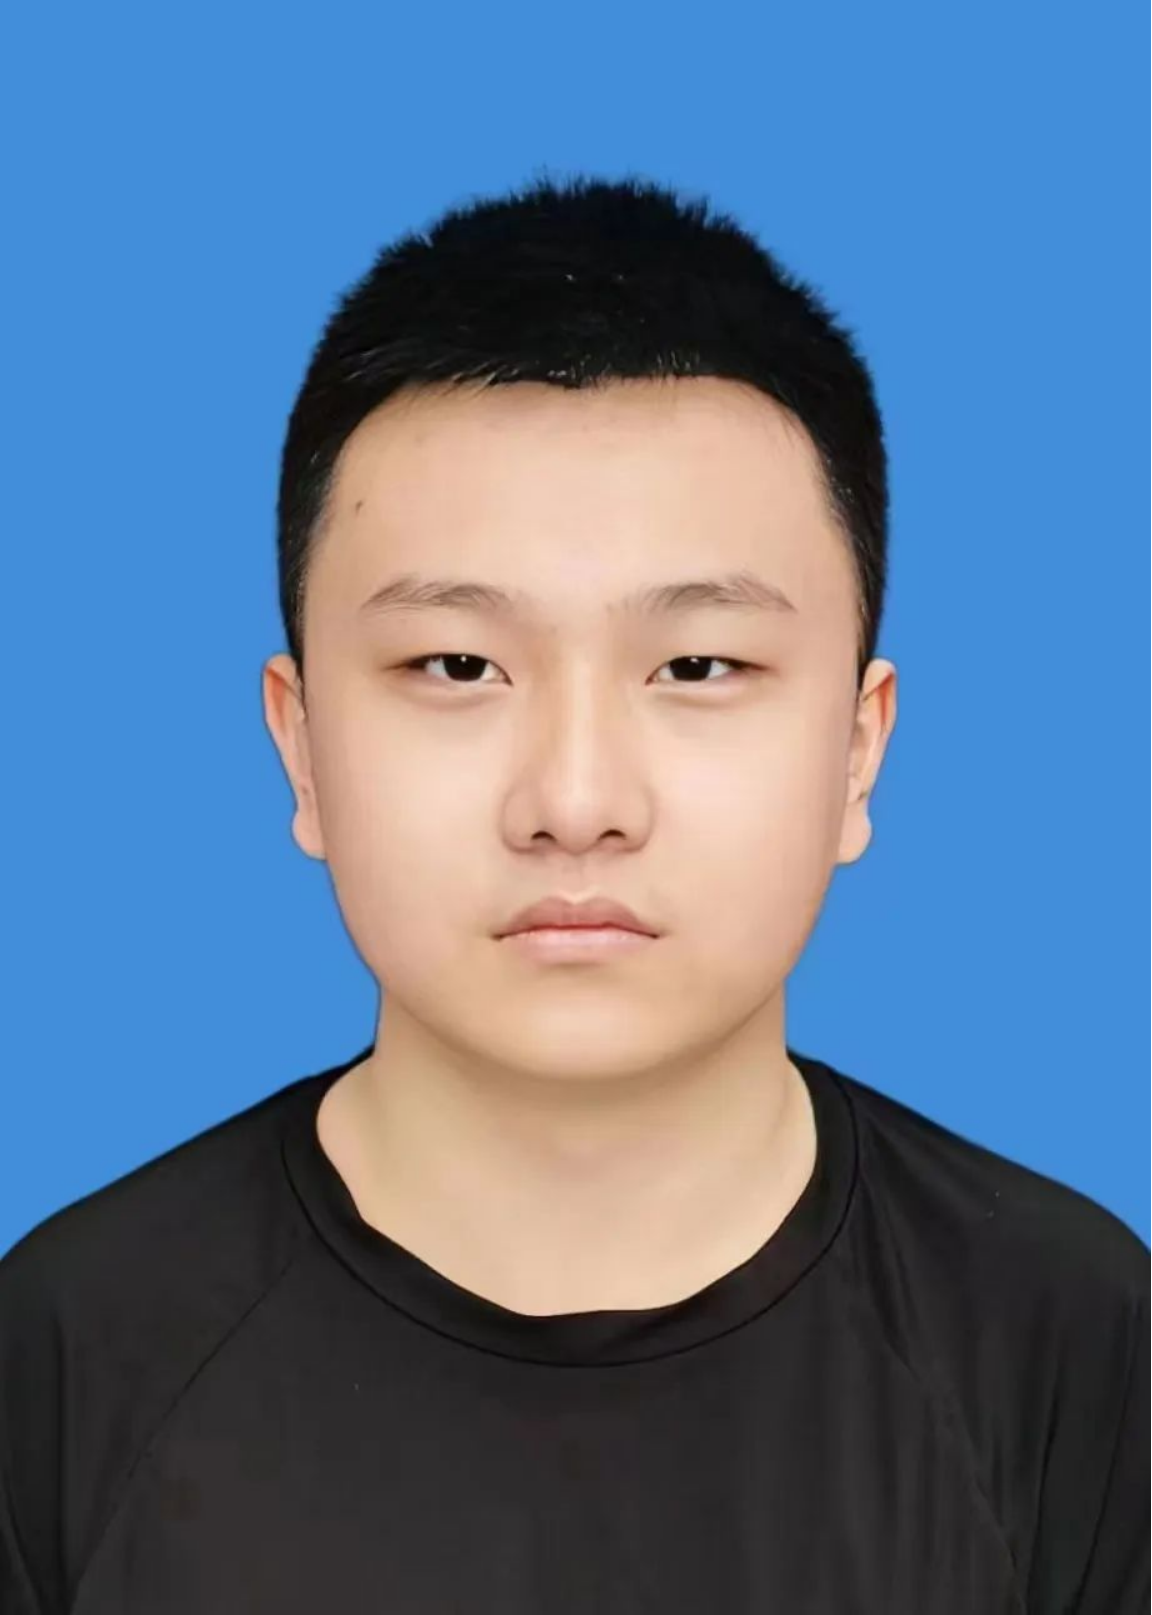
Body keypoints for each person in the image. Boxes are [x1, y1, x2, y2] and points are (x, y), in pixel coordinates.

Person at [1, 172, 1147, 1615]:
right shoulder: (68, 1355)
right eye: (458, 665)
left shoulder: (1072, 1345)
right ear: (301, 745)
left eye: (698, 665)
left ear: (859, 749)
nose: (576, 799)